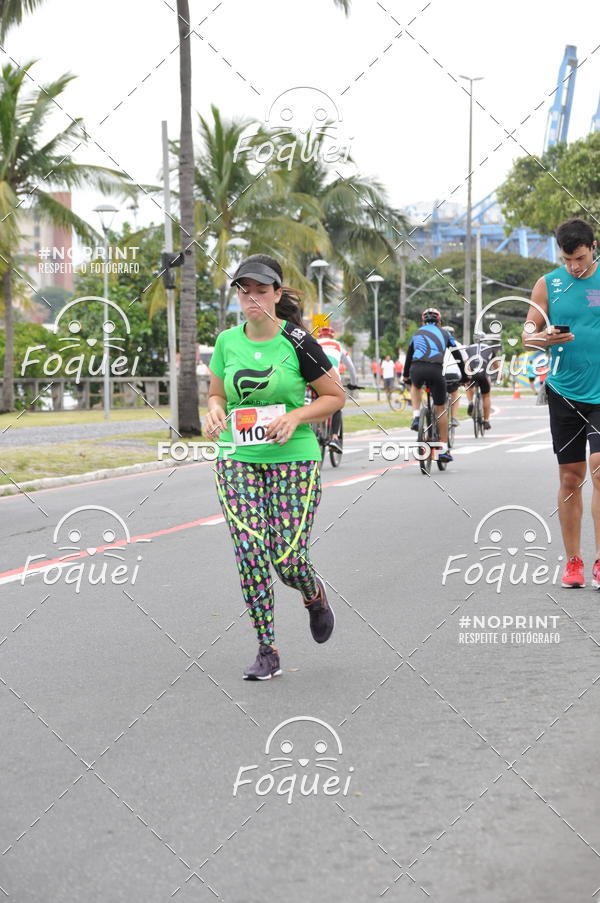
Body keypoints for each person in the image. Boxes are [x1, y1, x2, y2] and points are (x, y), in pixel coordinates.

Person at [206, 254, 345, 679]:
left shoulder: (299, 340)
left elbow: (334, 396)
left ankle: (312, 593)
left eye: (261, 291)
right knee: (250, 551)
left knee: (287, 558)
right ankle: (267, 648)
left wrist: (295, 416)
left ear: (277, 294)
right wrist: (214, 411)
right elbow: (217, 395)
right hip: (237, 459)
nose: (252, 299)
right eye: (244, 291)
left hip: (294, 457)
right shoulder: (227, 342)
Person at [523, 217, 600, 589]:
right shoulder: (548, 284)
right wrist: (544, 339)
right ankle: (573, 562)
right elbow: (527, 336)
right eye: (568, 259)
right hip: (564, 393)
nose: (574, 266)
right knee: (571, 478)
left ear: (594, 247)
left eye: (581, 258)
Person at [404, 308, 466, 463]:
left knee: (415, 386)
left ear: (422, 321)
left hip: (416, 369)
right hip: (435, 370)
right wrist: (464, 376)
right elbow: (457, 355)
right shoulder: (446, 334)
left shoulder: (416, 333)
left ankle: (417, 417)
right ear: (440, 321)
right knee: (440, 409)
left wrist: (406, 375)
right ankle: (443, 450)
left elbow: (408, 355)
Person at [316, 325, 357, 454]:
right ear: (332, 336)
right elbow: (351, 367)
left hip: (312, 378)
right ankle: (334, 437)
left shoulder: (314, 342)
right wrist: (353, 383)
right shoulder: (338, 345)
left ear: (319, 336)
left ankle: (313, 429)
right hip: (332, 378)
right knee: (337, 404)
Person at [464, 336, 499, 430]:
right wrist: (499, 375)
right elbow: (496, 365)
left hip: (471, 373)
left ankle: (470, 402)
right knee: (486, 396)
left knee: (468, 385)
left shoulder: (467, 348)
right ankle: (486, 421)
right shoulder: (490, 349)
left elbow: (464, 362)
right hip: (483, 374)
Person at [442, 326, 467, 427]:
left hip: (440, 373)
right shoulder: (458, 344)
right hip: (454, 374)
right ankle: (454, 418)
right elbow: (465, 362)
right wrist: (467, 377)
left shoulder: (438, 343)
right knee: (455, 393)